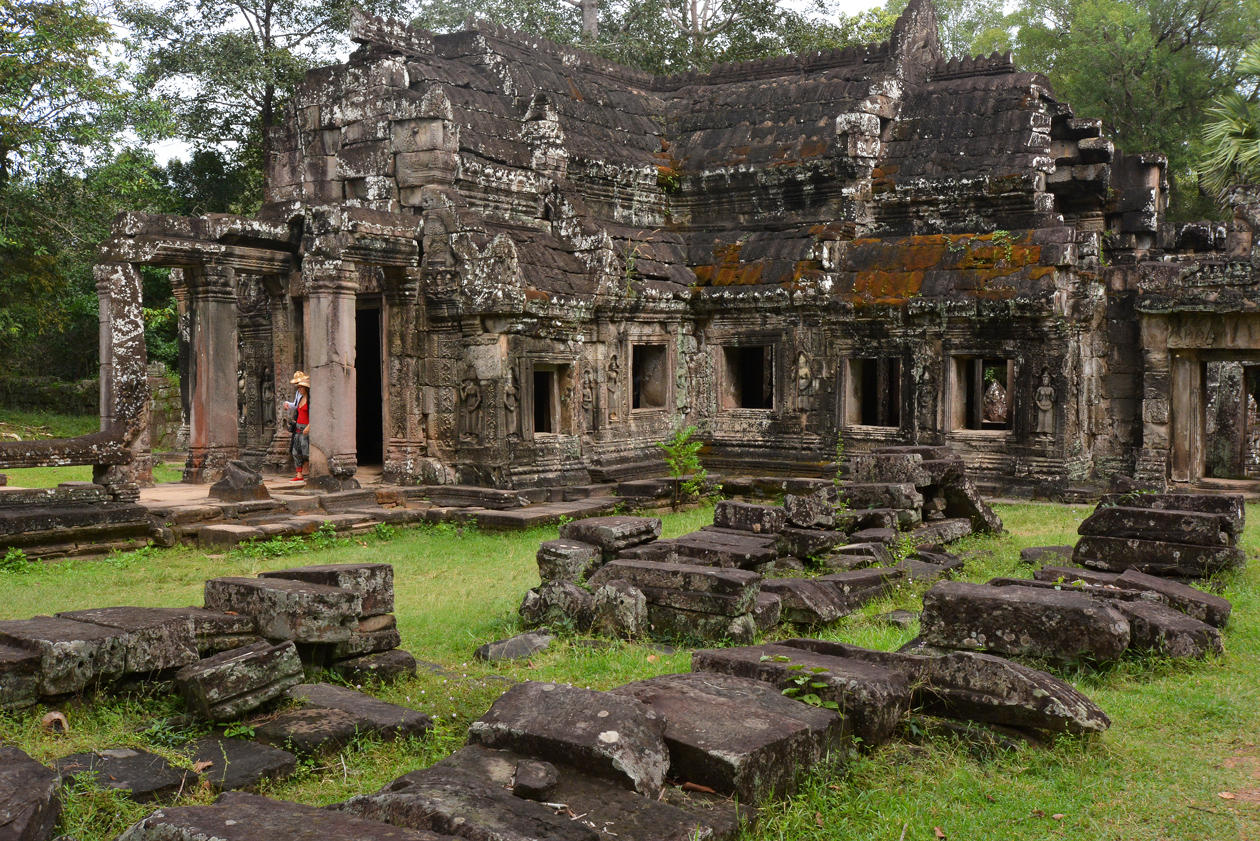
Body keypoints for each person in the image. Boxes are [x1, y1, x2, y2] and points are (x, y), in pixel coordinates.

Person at [284, 371, 311, 481]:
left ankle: (308, 469)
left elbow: (314, 414)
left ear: (305, 388)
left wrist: (309, 427)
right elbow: (296, 408)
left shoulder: (310, 400)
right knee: (295, 451)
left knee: (306, 451)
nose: (299, 389)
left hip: (306, 427)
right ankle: (299, 474)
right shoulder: (299, 398)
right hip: (298, 427)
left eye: (300, 387)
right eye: (298, 387)